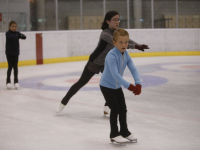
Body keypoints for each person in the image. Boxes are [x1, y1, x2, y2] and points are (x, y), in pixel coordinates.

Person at [56, 11, 149, 113]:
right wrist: (136, 46)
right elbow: (117, 43)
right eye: (114, 19)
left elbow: (127, 40)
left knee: (112, 83)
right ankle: (64, 102)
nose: (117, 22)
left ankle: (107, 107)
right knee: (81, 82)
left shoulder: (117, 32)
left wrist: (138, 45)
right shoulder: (105, 33)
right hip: (95, 62)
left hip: (107, 63)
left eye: (118, 19)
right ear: (108, 21)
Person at [99, 28, 141, 143]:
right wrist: (131, 87)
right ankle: (114, 134)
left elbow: (133, 68)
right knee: (115, 108)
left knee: (123, 109)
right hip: (106, 86)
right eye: (121, 42)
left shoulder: (126, 54)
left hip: (116, 87)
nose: (124, 45)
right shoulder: (111, 56)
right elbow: (115, 75)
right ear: (114, 42)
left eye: (126, 42)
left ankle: (124, 131)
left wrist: (138, 83)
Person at [5, 21, 26, 90]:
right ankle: (8, 82)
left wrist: (18, 35)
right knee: (10, 67)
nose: (14, 28)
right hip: (9, 53)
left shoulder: (17, 33)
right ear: (9, 27)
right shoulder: (7, 33)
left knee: (15, 68)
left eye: (15, 26)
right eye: (12, 26)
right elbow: (12, 37)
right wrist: (18, 36)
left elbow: (24, 37)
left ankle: (16, 81)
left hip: (16, 53)